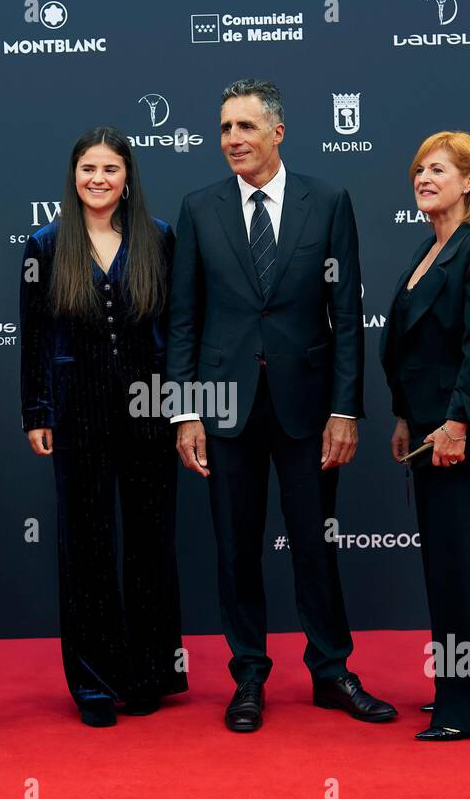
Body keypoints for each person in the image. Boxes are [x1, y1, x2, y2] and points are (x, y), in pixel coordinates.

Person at [167, 78, 396, 732]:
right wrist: (185, 411)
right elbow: (184, 319)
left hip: (308, 408)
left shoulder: (326, 202)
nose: (232, 140)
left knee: (315, 547)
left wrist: (345, 408)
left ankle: (331, 670)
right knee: (235, 549)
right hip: (225, 407)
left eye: (244, 127)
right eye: (224, 129)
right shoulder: (199, 208)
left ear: (278, 132)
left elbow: (346, 314)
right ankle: (248, 676)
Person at [20, 126, 187, 727]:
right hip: (76, 409)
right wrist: (36, 411)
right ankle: (92, 681)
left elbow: (178, 331)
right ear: (73, 176)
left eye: (110, 169)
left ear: (127, 177)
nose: (98, 178)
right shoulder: (45, 245)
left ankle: (148, 672)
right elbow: (34, 334)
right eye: (88, 167)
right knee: (85, 544)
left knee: (150, 541)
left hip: (151, 408)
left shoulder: (160, 239)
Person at [379, 130, 470, 740]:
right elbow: (414, 349)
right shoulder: (427, 251)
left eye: (437, 170)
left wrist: (459, 421)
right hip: (429, 431)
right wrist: (406, 416)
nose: (424, 179)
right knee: (448, 564)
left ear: (469, 181)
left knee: (467, 563)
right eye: (418, 171)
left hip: (464, 432)